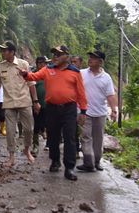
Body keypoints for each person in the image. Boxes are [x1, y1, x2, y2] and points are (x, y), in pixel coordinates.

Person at [19, 45, 88, 181]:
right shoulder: (48, 69)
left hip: (69, 109)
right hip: (52, 108)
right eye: (54, 54)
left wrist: (83, 111)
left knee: (69, 138)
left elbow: (81, 93)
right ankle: (55, 161)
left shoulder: (74, 72)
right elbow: (34, 76)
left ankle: (69, 168)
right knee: (53, 137)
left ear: (66, 56)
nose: (55, 57)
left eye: (58, 54)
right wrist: (25, 74)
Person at [0, 41, 39, 167]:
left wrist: (36, 101)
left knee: (29, 129)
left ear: (12, 52)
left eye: (4, 50)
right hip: (9, 103)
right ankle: (11, 156)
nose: (2, 53)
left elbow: (31, 83)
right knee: (10, 131)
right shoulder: (0, 67)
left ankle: (27, 150)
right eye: (2, 50)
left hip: (24, 101)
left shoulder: (23, 64)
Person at [77, 51, 118, 172]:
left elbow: (110, 95)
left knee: (98, 139)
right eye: (90, 57)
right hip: (85, 112)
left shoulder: (106, 78)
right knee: (85, 136)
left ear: (100, 62)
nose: (90, 59)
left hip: (100, 113)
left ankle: (96, 161)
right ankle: (88, 162)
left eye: (93, 58)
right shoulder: (82, 73)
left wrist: (114, 111)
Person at [31, 56, 49, 157]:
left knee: (48, 124)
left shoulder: (50, 74)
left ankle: (48, 144)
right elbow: (31, 89)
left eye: (43, 63)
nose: (41, 65)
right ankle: (35, 145)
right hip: (37, 104)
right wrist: (34, 102)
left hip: (49, 104)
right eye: (39, 63)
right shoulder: (34, 75)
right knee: (36, 125)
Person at [70, 55, 85, 157]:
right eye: (72, 62)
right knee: (74, 129)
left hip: (84, 107)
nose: (73, 63)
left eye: (75, 61)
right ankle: (75, 150)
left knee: (82, 131)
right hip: (73, 107)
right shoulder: (70, 74)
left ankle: (84, 149)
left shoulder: (84, 74)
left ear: (80, 63)